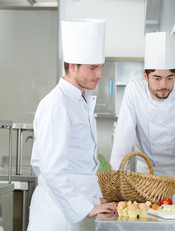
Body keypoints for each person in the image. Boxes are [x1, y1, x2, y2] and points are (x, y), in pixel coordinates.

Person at [27, 19, 116, 231]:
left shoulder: (80, 100)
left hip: (78, 209)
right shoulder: (56, 104)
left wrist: (96, 199)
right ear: (73, 66)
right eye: (93, 68)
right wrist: (86, 207)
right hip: (56, 216)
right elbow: (51, 170)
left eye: (101, 68)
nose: (100, 75)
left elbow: (83, 163)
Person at [110, 32, 175, 204]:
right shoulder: (134, 92)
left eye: (170, 78)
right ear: (145, 76)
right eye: (157, 78)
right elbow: (122, 142)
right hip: (146, 178)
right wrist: (113, 192)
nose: (163, 85)